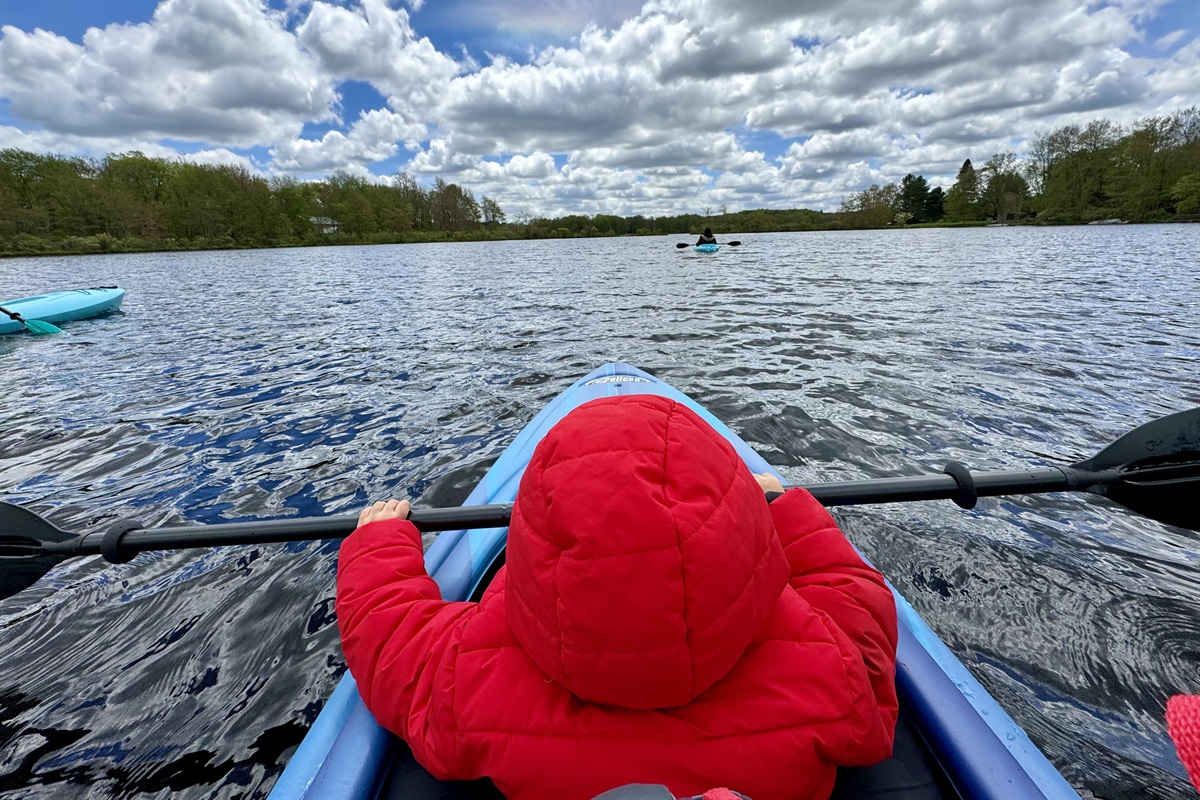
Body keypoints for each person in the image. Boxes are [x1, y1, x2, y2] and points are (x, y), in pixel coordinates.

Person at [337, 395, 899, 800]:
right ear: (741, 529)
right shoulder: (831, 669)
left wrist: (378, 544)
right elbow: (856, 599)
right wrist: (786, 511)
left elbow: (390, 643)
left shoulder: (472, 678)